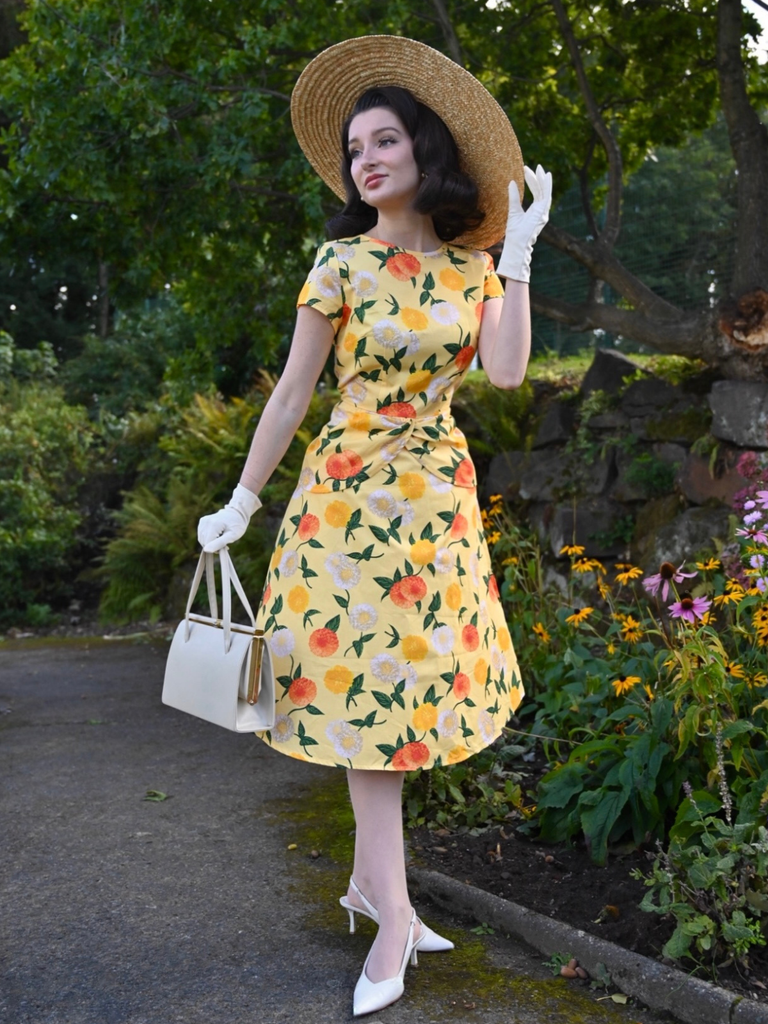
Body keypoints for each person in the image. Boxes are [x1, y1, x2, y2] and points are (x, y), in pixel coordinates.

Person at [197, 35, 552, 1018]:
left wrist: (517, 257)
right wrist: (243, 500)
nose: (366, 159)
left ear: (422, 149)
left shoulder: (474, 270)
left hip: (434, 500)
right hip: (346, 499)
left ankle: (369, 888)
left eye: (384, 139)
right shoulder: (342, 261)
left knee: (410, 694)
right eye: (356, 148)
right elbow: (291, 396)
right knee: (367, 705)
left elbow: (511, 372)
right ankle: (394, 917)